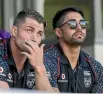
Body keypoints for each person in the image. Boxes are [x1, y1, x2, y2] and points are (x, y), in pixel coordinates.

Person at [44, 7, 103, 93]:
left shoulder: (95, 67)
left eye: (83, 24)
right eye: (72, 23)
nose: (79, 28)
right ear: (58, 32)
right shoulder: (46, 60)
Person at [0, 8, 58, 92]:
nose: (34, 38)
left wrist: (39, 68)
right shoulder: (2, 51)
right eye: (29, 30)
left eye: (39, 33)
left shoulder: (43, 59)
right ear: (14, 31)